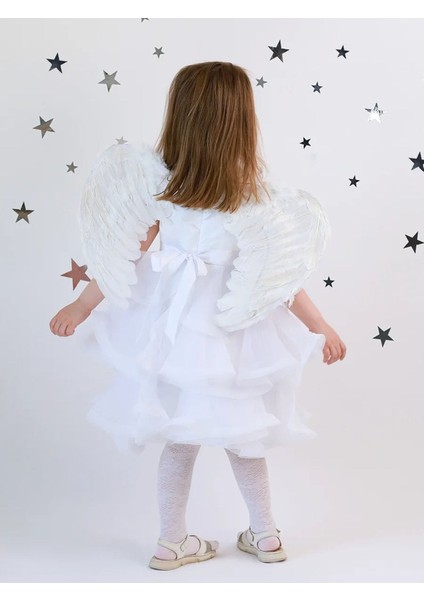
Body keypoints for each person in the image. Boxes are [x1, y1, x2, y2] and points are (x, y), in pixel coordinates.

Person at [49, 61, 346, 571]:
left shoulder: (163, 190)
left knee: (180, 441)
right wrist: (319, 325)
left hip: (176, 334)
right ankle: (265, 535)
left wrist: (82, 304)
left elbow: (127, 254)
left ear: (179, 117)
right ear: (242, 122)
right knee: (244, 441)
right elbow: (279, 279)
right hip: (234, 337)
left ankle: (171, 543)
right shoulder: (256, 197)